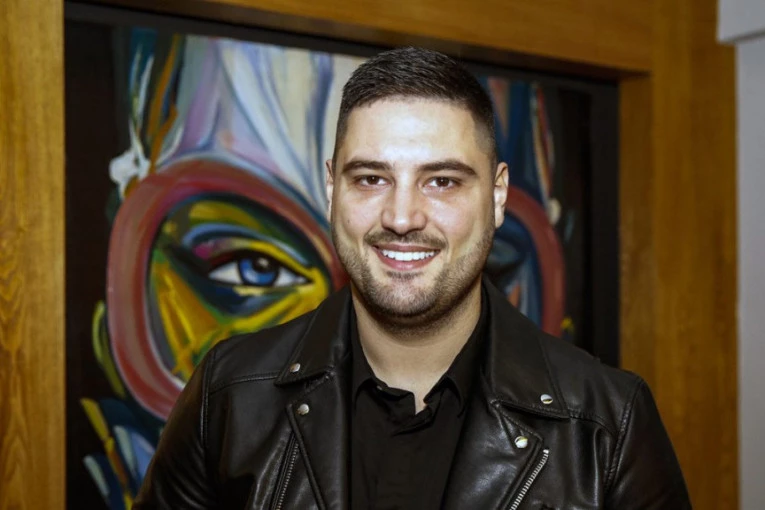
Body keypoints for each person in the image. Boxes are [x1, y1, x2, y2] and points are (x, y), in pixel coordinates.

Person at [134, 46, 690, 509]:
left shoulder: (606, 427)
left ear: (497, 196)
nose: (401, 218)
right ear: (332, 189)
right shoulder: (229, 398)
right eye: (371, 178)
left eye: (442, 181)